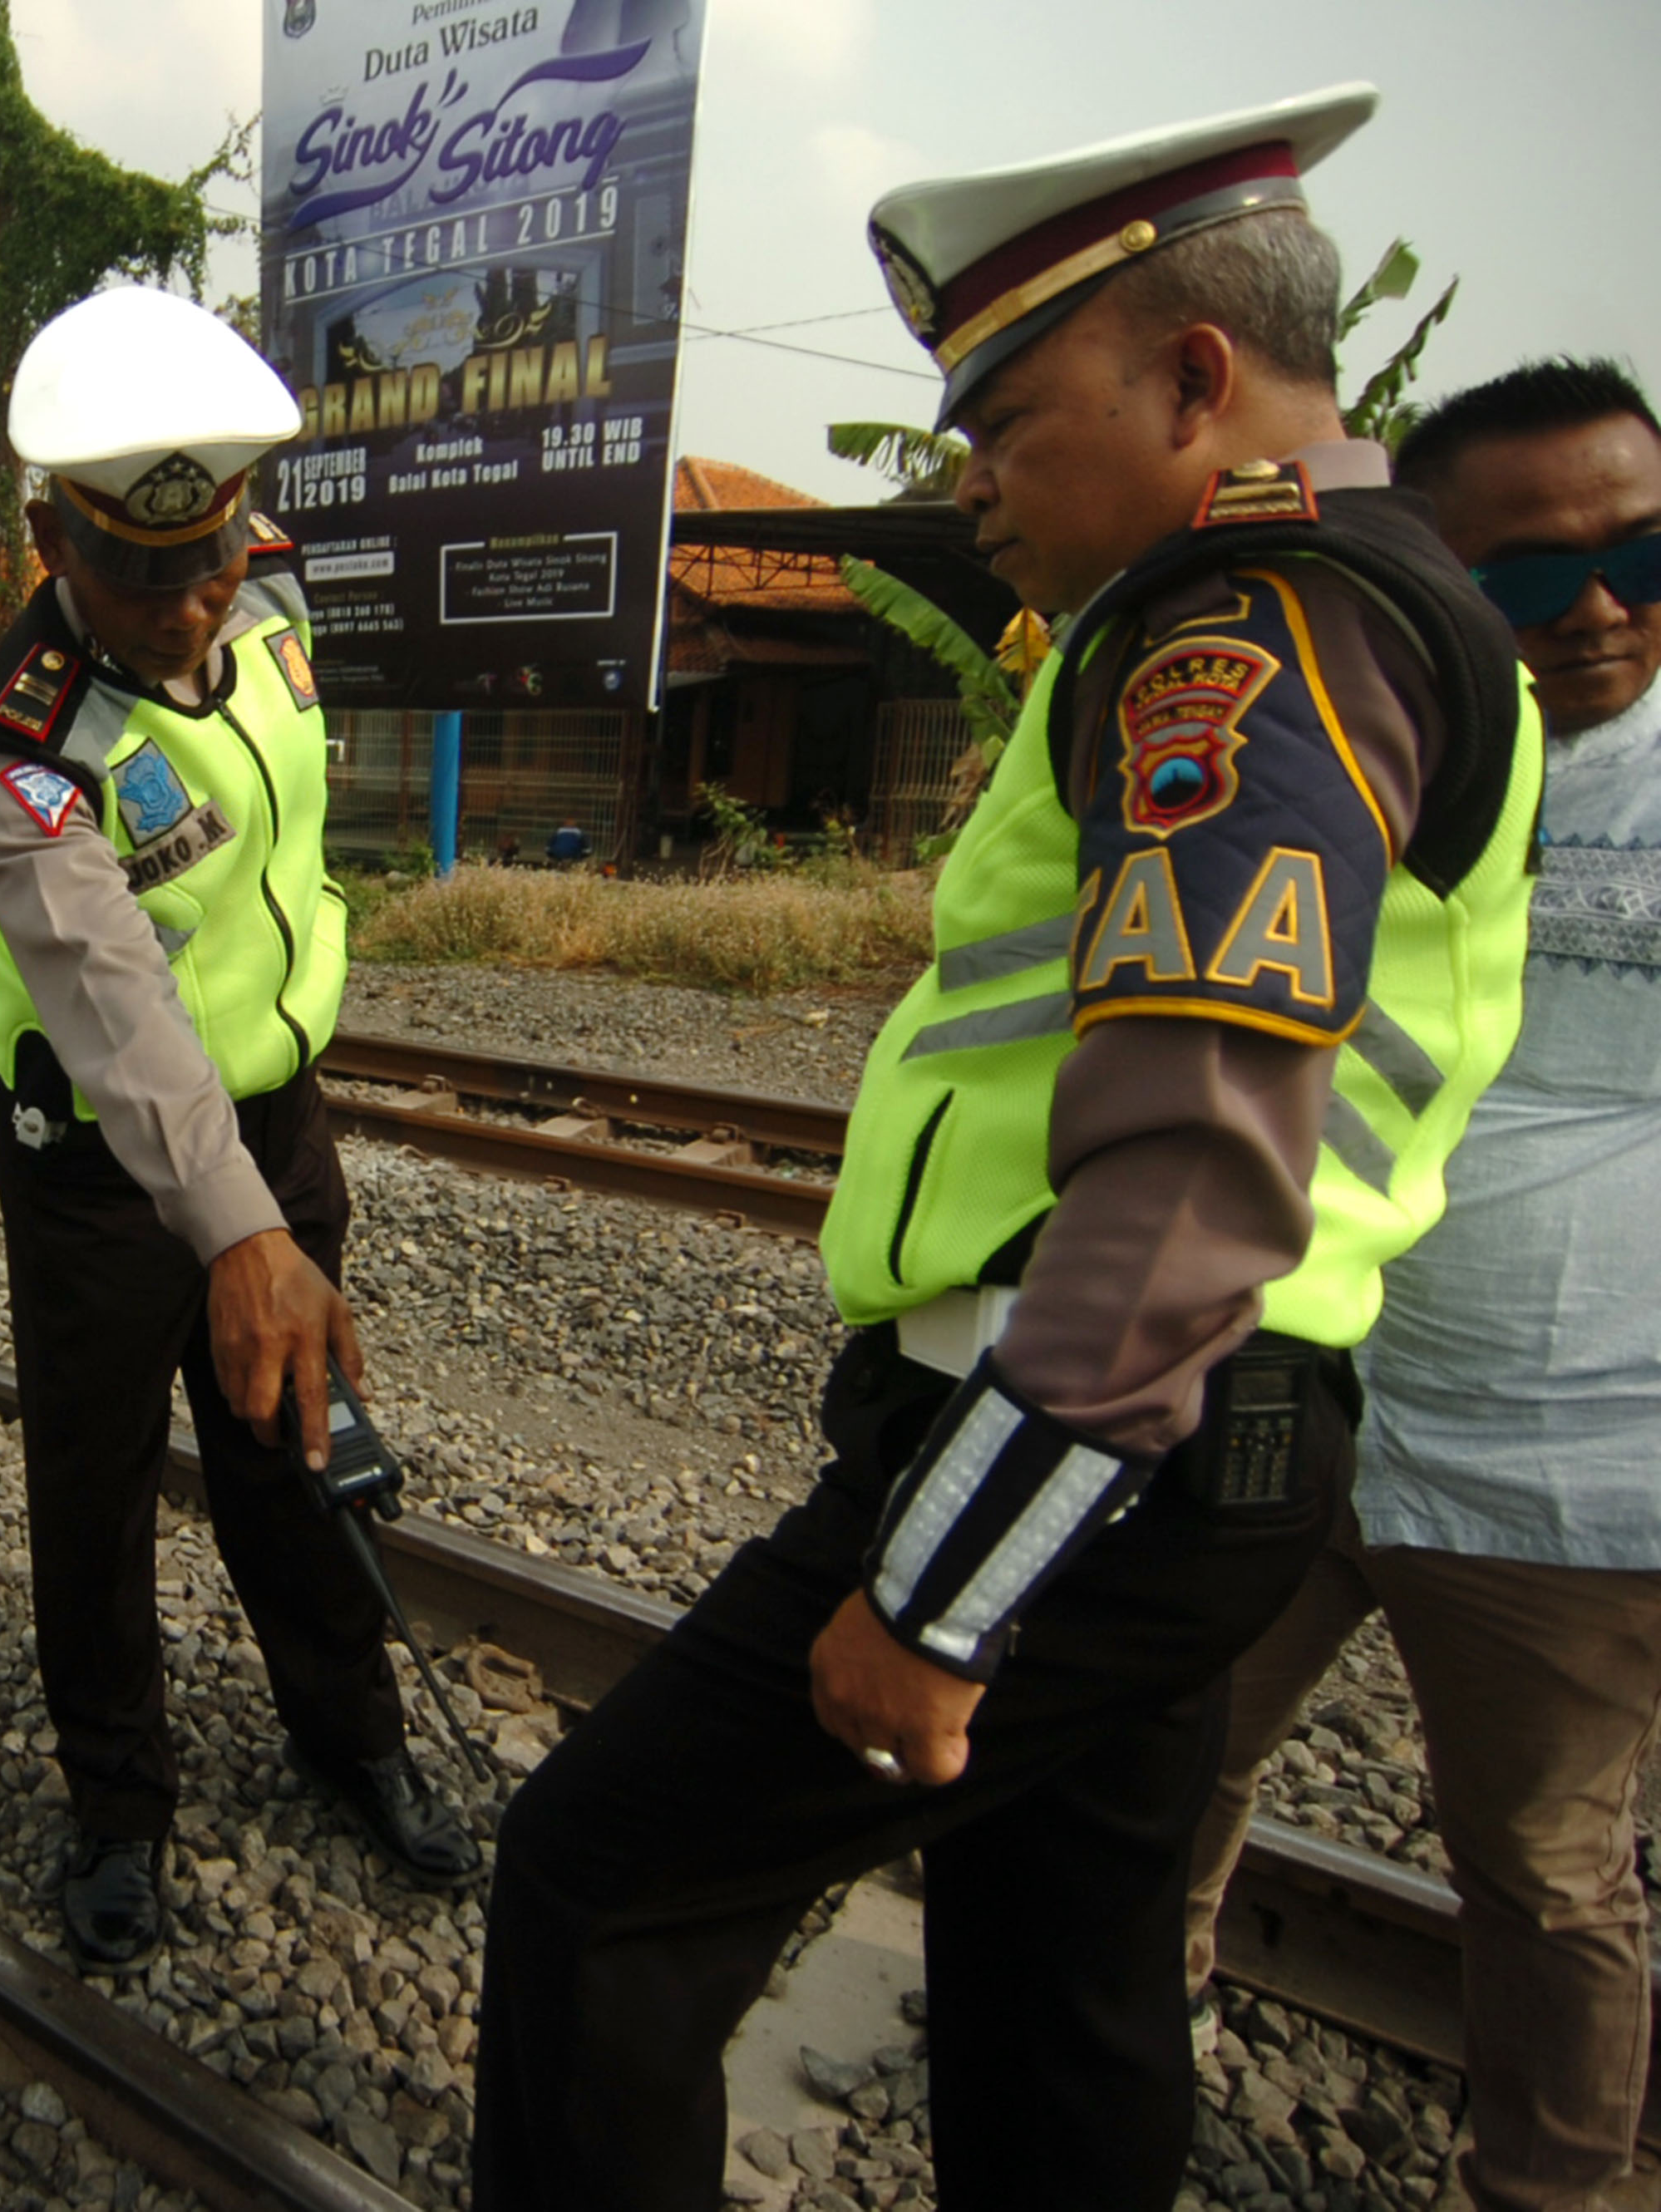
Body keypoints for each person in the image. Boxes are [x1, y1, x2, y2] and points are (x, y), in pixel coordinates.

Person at [473, 85, 1545, 2212]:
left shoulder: (1249, 631)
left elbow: (1189, 1159)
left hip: (1084, 1443)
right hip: (1192, 1450)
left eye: (1002, 417)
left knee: (601, 1881)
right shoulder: (1362, 601)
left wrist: (944, 1589)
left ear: (1192, 375)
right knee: (1057, 1977)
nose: (968, 486)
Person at [0, 286, 477, 1968]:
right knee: (92, 1496)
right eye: (140, 576)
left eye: (211, 560)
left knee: (297, 1452)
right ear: (46, 540)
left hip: (277, 1115)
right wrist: (239, 1236)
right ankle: (114, 1801)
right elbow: (110, 1009)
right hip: (99, 1158)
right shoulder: (11, 749)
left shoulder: (271, 585)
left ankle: (347, 1731)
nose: (186, 606)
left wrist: (270, 1197)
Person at [1182, 358, 1661, 2212]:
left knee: (1543, 1873)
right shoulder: (1341, 745)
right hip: (1297, 1377)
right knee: (1169, 1766)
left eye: (1637, 551)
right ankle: (1118, 2057)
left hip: (1563, 1466)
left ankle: (1551, 2190)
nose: (1598, 607)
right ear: (1439, 583)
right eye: (1531, 582)